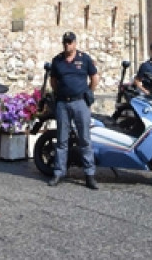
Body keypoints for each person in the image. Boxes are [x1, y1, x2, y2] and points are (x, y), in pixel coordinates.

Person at [48, 31, 100, 190]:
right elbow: (53, 81)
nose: (67, 44)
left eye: (70, 42)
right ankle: (59, 172)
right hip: (63, 103)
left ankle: (89, 175)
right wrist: (60, 93)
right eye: (65, 42)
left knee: (84, 139)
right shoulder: (57, 60)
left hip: (80, 102)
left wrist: (88, 92)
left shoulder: (84, 58)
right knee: (62, 140)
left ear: (75, 43)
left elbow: (94, 77)